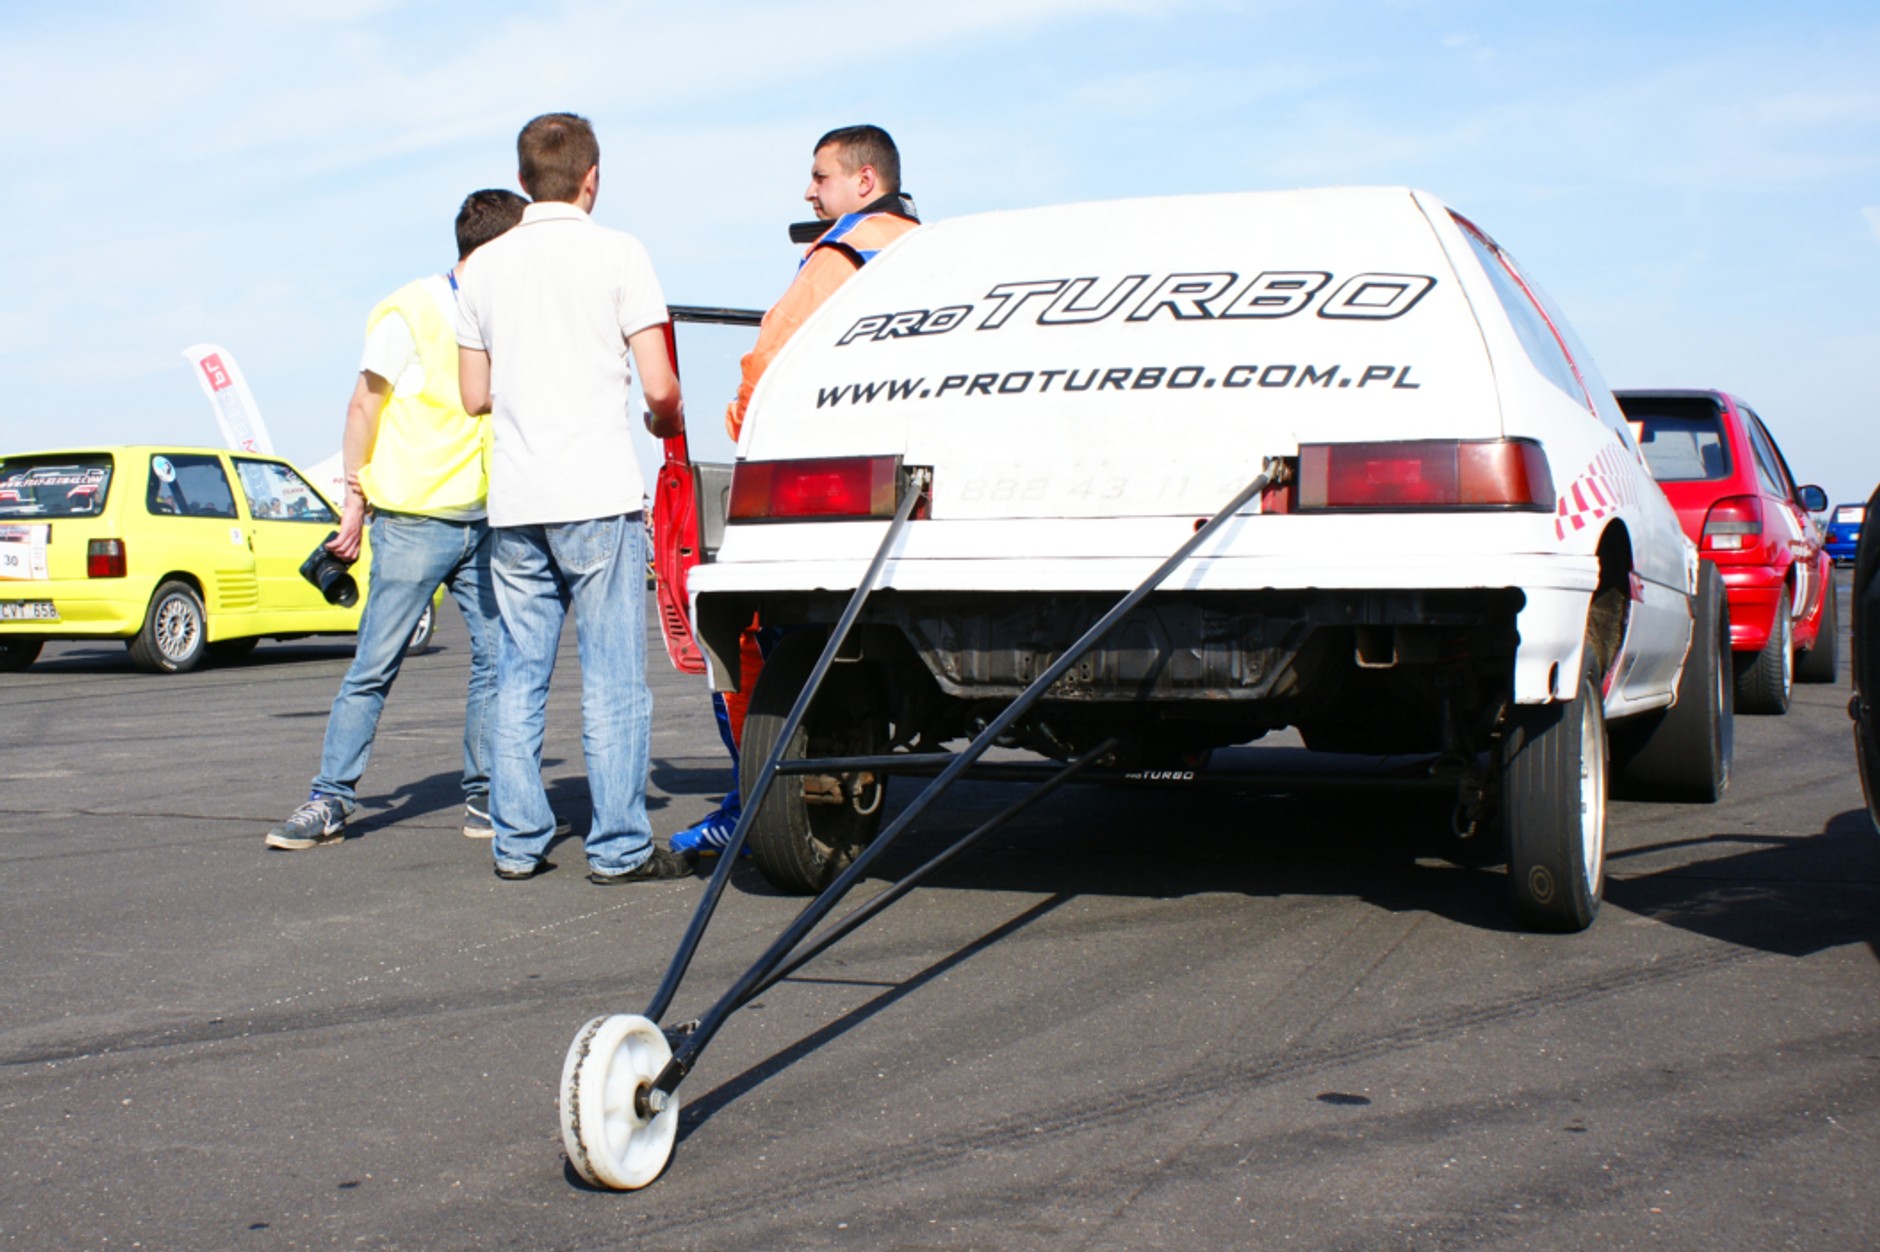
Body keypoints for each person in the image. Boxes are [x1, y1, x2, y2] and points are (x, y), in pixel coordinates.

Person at [455, 112, 692, 885]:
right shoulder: (620, 252)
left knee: (520, 674)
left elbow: (472, 395)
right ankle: (619, 846)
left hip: (518, 499)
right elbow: (659, 385)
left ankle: (517, 843)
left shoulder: (483, 269)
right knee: (613, 675)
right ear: (592, 178)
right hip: (596, 489)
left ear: (523, 182)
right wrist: (664, 417)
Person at [673, 125, 920, 857]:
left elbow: (767, 364)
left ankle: (750, 800)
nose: (810, 192)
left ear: (865, 182)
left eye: (821, 177)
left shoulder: (837, 257)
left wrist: (744, 427)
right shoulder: (928, 255)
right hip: (912, 489)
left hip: (832, 487)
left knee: (763, 646)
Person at [266, 189, 528, 851]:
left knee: (496, 663)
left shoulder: (502, 314)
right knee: (375, 665)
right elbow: (364, 407)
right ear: (496, 249)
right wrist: (354, 503)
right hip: (414, 520)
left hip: (484, 519)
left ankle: (485, 798)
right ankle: (329, 798)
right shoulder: (409, 309)